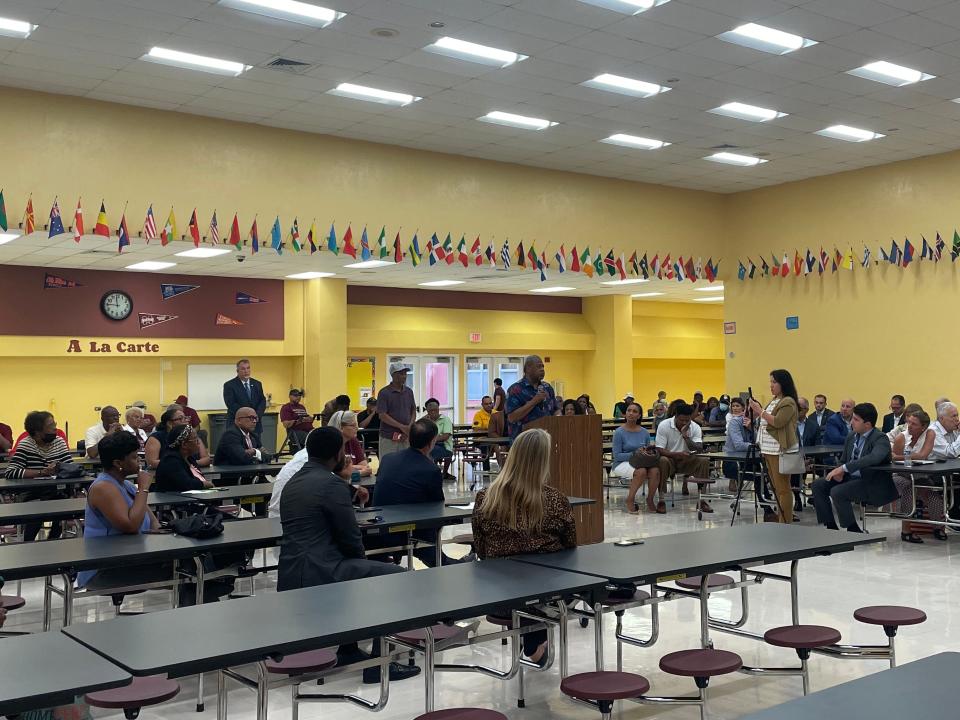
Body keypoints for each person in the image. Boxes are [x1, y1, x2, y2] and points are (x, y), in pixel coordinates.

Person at [277, 426, 420, 684]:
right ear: (338, 453)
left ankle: (348, 649)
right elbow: (350, 537)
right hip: (322, 570)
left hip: (289, 571)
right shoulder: (332, 485)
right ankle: (380, 665)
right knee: (394, 576)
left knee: (364, 571)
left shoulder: (294, 482)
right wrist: (363, 562)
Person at [78, 431, 233, 605]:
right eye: (134, 457)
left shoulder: (126, 485)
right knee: (188, 567)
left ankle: (203, 605)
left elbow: (153, 521)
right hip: (104, 568)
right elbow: (131, 526)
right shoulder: (103, 488)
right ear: (118, 463)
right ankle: (196, 613)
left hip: (131, 556)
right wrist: (144, 488)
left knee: (195, 558)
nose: (140, 461)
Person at [471, 428, 577, 666]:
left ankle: (532, 638)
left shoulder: (486, 498)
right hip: (547, 594)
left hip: (498, 592)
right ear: (543, 460)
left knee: (523, 586)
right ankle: (534, 639)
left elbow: (480, 548)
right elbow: (571, 548)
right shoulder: (556, 500)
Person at [373, 419, 467, 567]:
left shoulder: (387, 459)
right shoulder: (431, 470)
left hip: (378, 529)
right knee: (430, 531)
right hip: (408, 531)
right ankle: (454, 563)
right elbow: (438, 508)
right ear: (431, 442)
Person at [812, 403, 893, 533]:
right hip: (850, 478)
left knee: (838, 492)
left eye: (856, 420)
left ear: (867, 424)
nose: (851, 422)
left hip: (870, 481)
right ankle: (830, 526)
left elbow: (874, 458)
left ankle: (852, 528)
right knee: (818, 485)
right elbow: (843, 460)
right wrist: (840, 470)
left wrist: (844, 468)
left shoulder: (880, 438)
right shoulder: (851, 436)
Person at [4, 410, 72, 541]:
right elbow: (11, 472)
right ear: (37, 431)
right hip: (32, 493)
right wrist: (42, 472)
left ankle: (53, 542)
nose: (55, 428)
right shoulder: (26, 444)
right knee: (37, 512)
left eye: (55, 424)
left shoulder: (59, 442)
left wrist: (59, 467)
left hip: (56, 492)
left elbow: (70, 466)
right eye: (51, 425)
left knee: (61, 506)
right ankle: (29, 545)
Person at [748, 370, 799, 524]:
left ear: (783, 383)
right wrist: (756, 416)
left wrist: (759, 411)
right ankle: (781, 518)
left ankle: (785, 522)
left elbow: (778, 422)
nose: (771, 385)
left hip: (780, 450)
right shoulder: (774, 400)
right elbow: (766, 421)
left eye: (774, 382)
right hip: (768, 449)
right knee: (776, 488)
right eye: (770, 382)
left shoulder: (788, 402)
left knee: (783, 489)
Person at [891, 410, 938, 543]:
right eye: (908, 422)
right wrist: (906, 458)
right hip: (901, 475)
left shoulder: (930, 433)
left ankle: (938, 527)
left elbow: (923, 455)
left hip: (920, 475)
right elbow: (894, 462)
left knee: (934, 496)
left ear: (923, 427)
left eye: (914, 424)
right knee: (909, 490)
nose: (909, 426)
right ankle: (906, 531)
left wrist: (902, 457)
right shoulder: (901, 437)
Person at [655, 403, 712, 513]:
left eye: (687, 420)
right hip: (670, 458)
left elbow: (699, 448)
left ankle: (701, 500)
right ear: (675, 416)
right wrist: (677, 454)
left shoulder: (695, 427)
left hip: (688, 459)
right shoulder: (664, 425)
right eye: (682, 420)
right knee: (662, 460)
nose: (685, 423)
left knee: (704, 460)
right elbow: (660, 449)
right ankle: (661, 500)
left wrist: (686, 436)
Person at [610, 402, 660, 514]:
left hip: (641, 461)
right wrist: (635, 453)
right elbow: (617, 455)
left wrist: (648, 453)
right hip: (622, 463)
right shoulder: (619, 432)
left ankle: (650, 499)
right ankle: (630, 499)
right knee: (641, 472)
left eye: (634, 411)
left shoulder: (645, 432)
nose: (631, 413)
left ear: (639, 416)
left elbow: (647, 450)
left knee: (655, 471)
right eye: (629, 410)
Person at [506, 355, 559, 441]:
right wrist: (534, 401)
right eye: (538, 366)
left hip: (545, 440)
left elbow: (556, 409)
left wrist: (558, 417)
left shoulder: (547, 387)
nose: (542, 369)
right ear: (528, 369)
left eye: (543, 366)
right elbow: (512, 418)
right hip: (523, 441)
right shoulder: (515, 389)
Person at [145, 404, 212, 470]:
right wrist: (180, 464)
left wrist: (191, 463)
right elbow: (152, 462)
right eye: (180, 418)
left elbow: (206, 459)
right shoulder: (156, 438)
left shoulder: (192, 435)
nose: (185, 421)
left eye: (186, 418)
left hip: (193, 470)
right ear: (169, 423)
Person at [154, 425, 215, 492]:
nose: (199, 442)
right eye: (195, 439)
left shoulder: (189, 458)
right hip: (174, 500)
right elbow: (187, 484)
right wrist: (206, 484)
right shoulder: (170, 461)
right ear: (184, 444)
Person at [376, 362, 416, 457]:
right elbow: (382, 415)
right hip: (389, 437)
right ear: (393, 375)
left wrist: (409, 427)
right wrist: (402, 426)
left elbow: (413, 410)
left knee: (406, 464)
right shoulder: (384, 393)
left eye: (405, 374)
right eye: (401, 374)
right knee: (389, 464)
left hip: (406, 436)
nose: (404, 376)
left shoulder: (409, 392)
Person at [222, 359, 266, 430]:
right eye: (243, 369)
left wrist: (257, 415)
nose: (246, 371)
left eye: (248, 368)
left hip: (255, 424)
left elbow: (262, 400)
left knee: (255, 441)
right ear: (237, 371)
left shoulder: (257, 384)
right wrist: (248, 416)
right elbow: (231, 404)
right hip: (237, 424)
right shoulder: (229, 385)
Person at [329, 410, 373, 480]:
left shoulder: (353, 441)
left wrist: (350, 469)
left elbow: (366, 468)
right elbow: (337, 474)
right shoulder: (330, 444)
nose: (357, 428)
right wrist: (359, 471)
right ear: (341, 427)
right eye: (353, 425)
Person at [723, 397, 754, 489]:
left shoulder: (749, 421)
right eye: (733, 406)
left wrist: (751, 428)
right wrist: (756, 446)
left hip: (746, 457)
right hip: (733, 460)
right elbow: (739, 445)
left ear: (743, 408)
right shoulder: (734, 422)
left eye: (737, 406)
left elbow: (757, 439)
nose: (735, 408)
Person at [422, 398, 454, 478]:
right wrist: (422, 420)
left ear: (438, 409)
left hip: (445, 447)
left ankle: (432, 473)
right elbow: (416, 430)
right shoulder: (425, 420)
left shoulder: (445, 420)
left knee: (428, 451)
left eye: (435, 410)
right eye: (430, 410)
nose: (433, 412)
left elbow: (445, 436)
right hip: (430, 445)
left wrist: (431, 440)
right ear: (427, 411)